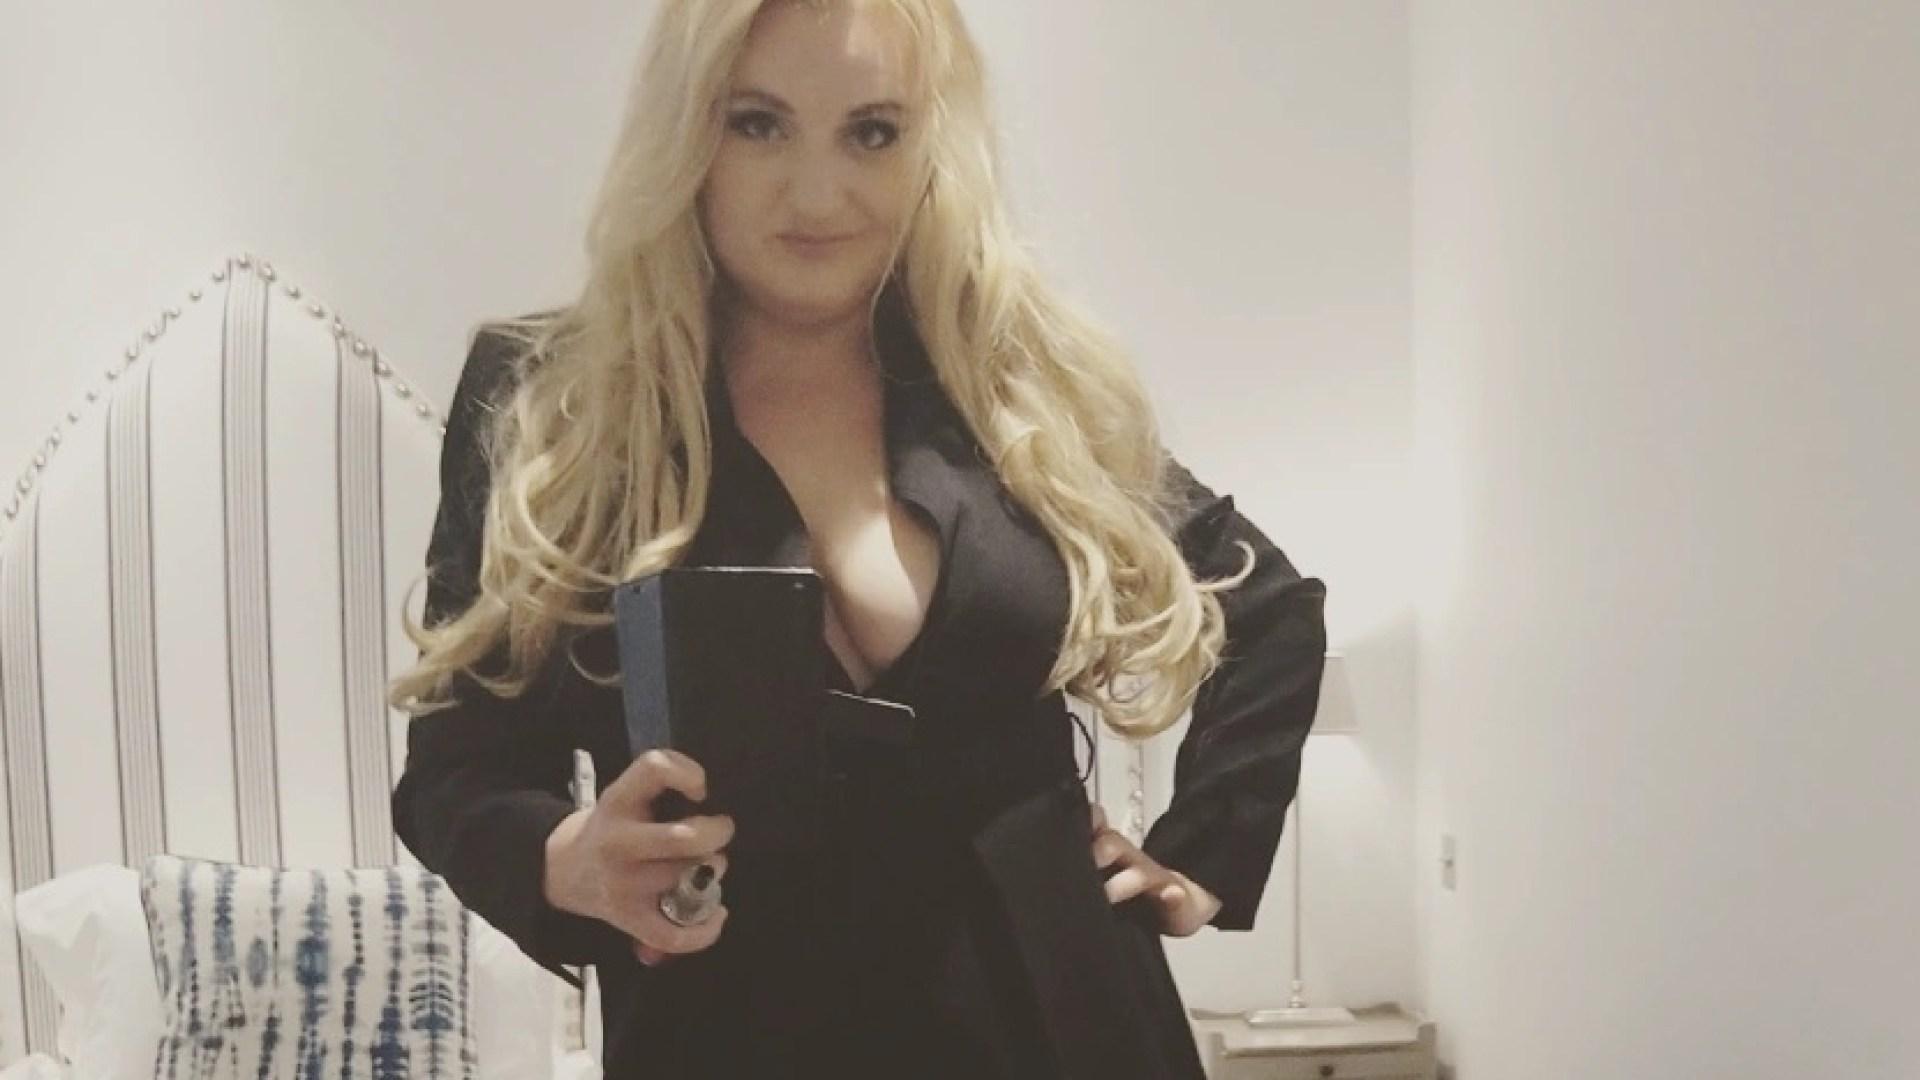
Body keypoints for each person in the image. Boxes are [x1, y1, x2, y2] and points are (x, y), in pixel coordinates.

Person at [387, 1, 1328, 1076]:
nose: (818, 194)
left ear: (930, 143)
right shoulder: (552, 404)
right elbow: (454, 772)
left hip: (1063, 1023)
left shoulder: (1016, 385)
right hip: (730, 1033)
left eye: (872, 132)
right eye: (758, 123)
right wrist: (566, 861)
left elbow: (1268, 608)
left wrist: (1198, 859)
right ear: (686, 131)